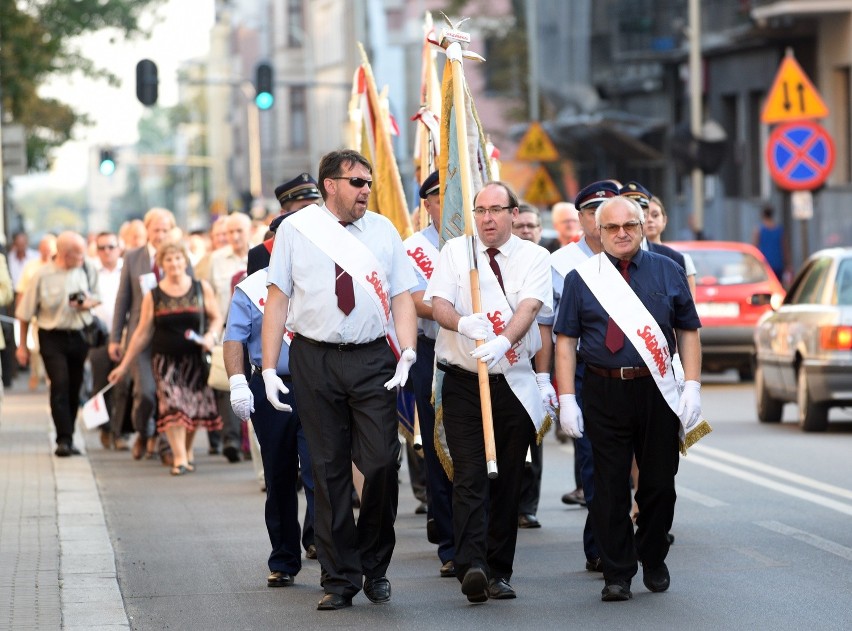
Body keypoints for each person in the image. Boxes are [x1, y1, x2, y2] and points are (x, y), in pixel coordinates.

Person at [261, 149, 418, 611]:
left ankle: (376, 563)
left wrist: (406, 349)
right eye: (356, 182)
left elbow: (403, 295)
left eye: (368, 182)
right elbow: (276, 299)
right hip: (315, 358)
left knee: (381, 464)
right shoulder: (296, 229)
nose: (365, 190)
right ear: (331, 185)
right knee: (327, 471)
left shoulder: (384, 230)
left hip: (372, 358)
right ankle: (340, 577)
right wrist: (270, 367)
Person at [554, 195, 702, 602]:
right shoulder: (582, 278)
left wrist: (692, 385)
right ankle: (617, 571)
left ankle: (653, 555)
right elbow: (566, 341)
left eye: (630, 226)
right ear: (598, 233)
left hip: (655, 390)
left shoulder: (667, 271)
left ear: (641, 227)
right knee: (607, 485)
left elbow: (688, 330)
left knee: (658, 484)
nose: (622, 234)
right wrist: (567, 397)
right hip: (603, 389)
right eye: (612, 227)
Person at [425, 180, 552, 604]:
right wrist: (460, 323)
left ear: (514, 214)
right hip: (463, 380)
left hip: (512, 380)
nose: (488, 218)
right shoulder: (454, 252)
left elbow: (530, 307)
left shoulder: (535, 256)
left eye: (497, 210)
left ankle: (499, 570)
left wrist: (504, 341)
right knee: (471, 475)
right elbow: (437, 301)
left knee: (508, 478)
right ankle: (472, 565)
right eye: (480, 211)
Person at [223, 226, 316, 588]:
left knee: (319, 471)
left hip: (314, 386)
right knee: (278, 476)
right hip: (269, 387)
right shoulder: (251, 288)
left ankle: (326, 548)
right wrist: (237, 382)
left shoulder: (315, 278)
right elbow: (234, 337)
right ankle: (283, 558)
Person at [537, 179, 619, 574]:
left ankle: (624, 536)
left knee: (631, 464)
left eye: (608, 212)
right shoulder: (560, 263)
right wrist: (552, 383)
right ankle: (602, 545)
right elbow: (551, 330)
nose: (601, 220)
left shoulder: (633, 255)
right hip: (585, 371)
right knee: (594, 462)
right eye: (591, 212)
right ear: (581, 218)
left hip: (634, 373)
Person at [108, 241, 222, 475]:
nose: (174, 264)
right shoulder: (154, 295)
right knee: (172, 405)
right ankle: (179, 457)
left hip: (195, 360)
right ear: (161, 264)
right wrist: (124, 365)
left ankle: (186, 452)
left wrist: (211, 336)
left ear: (185, 261)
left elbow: (216, 317)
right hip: (165, 361)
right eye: (168, 259)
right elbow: (141, 333)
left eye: (178, 258)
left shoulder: (201, 288)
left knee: (192, 409)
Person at [404, 170, 456, 577]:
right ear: (428, 204)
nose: (449, 206)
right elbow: (415, 301)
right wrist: (456, 311)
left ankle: (481, 531)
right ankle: (450, 542)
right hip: (433, 351)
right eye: (441, 199)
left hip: (478, 352)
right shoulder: (413, 249)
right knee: (440, 442)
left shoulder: (478, 244)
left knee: (476, 444)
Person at [110, 208, 187, 463]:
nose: (161, 235)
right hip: (140, 337)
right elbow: (123, 300)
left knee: (169, 393)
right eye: (156, 230)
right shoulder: (133, 257)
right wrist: (114, 338)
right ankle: (144, 432)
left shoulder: (180, 255)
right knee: (145, 392)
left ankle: (166, 447)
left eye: (165, 229)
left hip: (171, 338)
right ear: (147, 230)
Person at [16, 231, 100, 456]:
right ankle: (62, 438)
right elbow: (24, 313)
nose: (82, 258)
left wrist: (86, 304)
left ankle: (69, 434)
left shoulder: (87, 268)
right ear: (64, 254)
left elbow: (97, 295)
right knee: (60, 383)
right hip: (51, 335)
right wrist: (22, 346)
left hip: (79, 334)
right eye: (78, 254)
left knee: (75, 385)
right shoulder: (42, 275)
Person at [205, 211, 253, 463]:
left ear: (248, 232)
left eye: (239, 231)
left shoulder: (259, 255)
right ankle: (231, 439)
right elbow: (208, 293)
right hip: (228, 330)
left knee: (253, 383)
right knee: (227, 384)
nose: (234, 237)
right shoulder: (216, 260)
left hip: (255, 332)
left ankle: (251, 441)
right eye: (229, 232)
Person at [511, 202, 547, 529]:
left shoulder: (543, 262)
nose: (526, 231)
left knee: (533, 432)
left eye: (531, 226)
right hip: (503, 354)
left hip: (535, 357)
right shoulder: (505, 262)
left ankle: (527, 505)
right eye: (520, 226)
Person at [88, 231, 129, 450]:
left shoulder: (127, 269)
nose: (106, 252)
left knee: (123, 385)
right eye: (101, 247)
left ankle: (119, 432)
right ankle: (105, 429)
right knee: (101, 384)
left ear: (119, 248)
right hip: (100, 337)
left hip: (124, 336)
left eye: (110, 247)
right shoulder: (91, 272)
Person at [752, 204, 792, 284]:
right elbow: (785, 249)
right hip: (778, 264)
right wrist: (788, 265)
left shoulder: (759, 230)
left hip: (765, 265)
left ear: (763, 215)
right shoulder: (780, 230)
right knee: (777, 286)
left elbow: (754, 248)